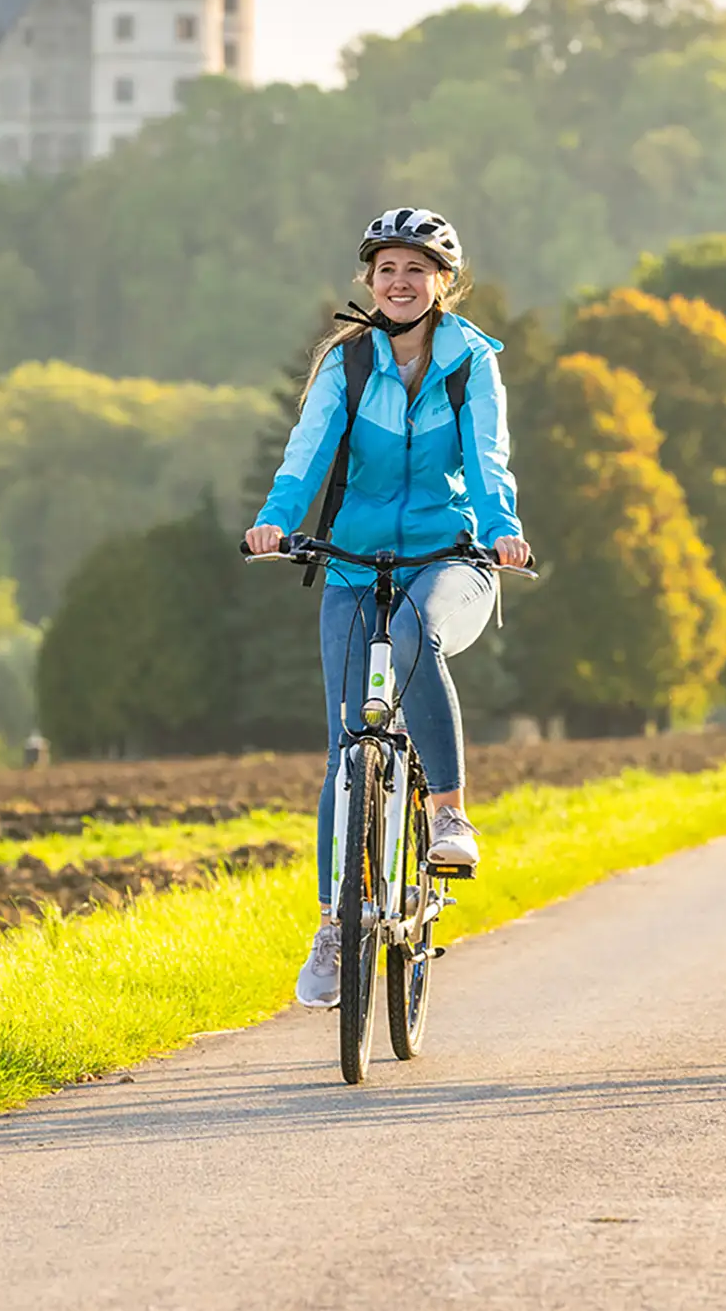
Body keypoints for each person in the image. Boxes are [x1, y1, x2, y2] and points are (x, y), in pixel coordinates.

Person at [244, 207, 532, 1009]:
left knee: (414, 636)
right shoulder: (348, 362)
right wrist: (278, 519)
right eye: (386, 271)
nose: (399, 283)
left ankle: (447, 817)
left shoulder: (471, 361)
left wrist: (503, 533)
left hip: (450, 559)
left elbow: (487, 461)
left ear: (444, 283)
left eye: (417, 270)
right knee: (347, 744)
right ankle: (336, 926)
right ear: (368, 283)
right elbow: (306, 450)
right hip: (350, 562)